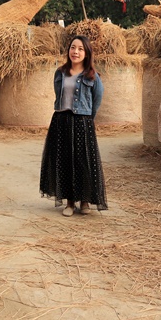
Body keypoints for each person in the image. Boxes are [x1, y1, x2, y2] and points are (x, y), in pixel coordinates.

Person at [39, 35, 108, 217]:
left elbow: (97, 99)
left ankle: (84, 201)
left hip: (82, 121)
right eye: (73, 48)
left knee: (83, 161)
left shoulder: (92, 76)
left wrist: (87, 118)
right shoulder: (60, 73)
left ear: (86, 53)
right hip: (61, 120)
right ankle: (69, 202)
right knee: (65, 161)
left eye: (80, 49)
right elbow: (58, 95)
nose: (75, 52)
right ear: (68, 50)